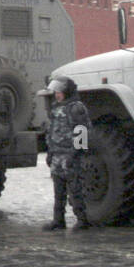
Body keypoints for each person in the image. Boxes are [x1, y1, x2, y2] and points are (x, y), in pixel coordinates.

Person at [41, 76, 92, 230]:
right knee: (58, 190)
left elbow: (83, 131)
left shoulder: (76, 108)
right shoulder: (56, 108)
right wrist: (50, 152)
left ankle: (82, 220)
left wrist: (75, 154)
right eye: (55, 91)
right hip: (57, 154)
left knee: (75, 189)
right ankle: (58, 220)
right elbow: (51, 131)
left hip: (71, 154)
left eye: (60, 91)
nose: (57, 94)